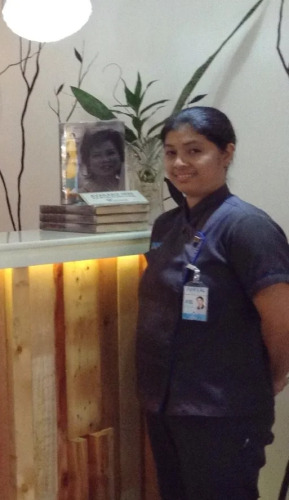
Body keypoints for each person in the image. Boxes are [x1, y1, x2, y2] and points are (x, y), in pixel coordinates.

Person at [136, 106, 289, 499]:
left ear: (226, 153)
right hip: (166, 407)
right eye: (171, 152)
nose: (179, 163)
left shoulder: (247, 227)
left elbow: (281, 319)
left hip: (224, 412)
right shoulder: (166, 226)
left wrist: (271, 377)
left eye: (194, 150)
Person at [77, 127, 125, 193]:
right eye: (97, 155)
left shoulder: (128, 187)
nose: (105, 159)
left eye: (110, 153)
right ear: (87, 161)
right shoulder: (81, 194)